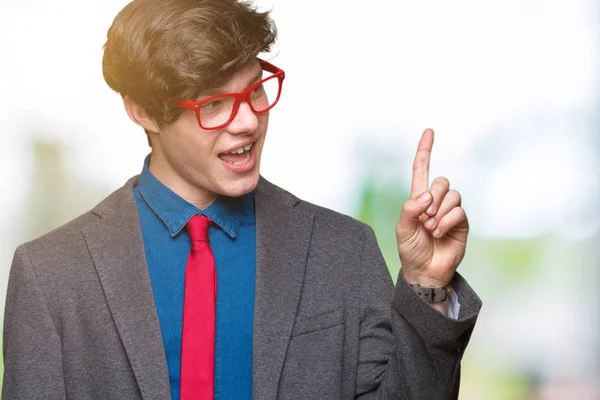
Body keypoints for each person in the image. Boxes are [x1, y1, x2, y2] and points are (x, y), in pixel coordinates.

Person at [2, 0, 482, 399]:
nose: (248, 122)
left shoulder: (343, 251)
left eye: (254, 90)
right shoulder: (51, 277)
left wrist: (425, 286)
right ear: (142, 110)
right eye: (213, 104)